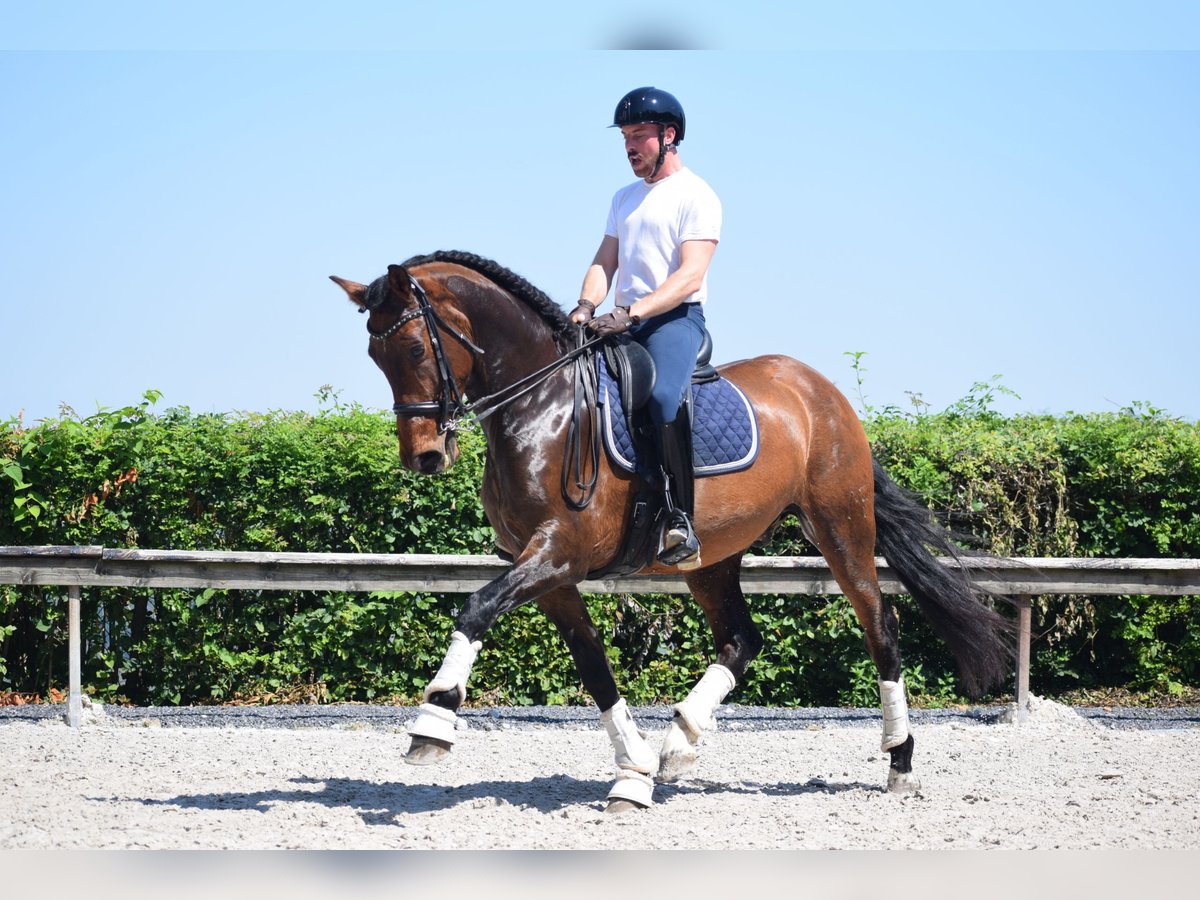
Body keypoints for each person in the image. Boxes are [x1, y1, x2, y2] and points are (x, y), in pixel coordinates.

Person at [569, 86, 721, 570]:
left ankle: (680, 520)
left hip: (673, 320)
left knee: (661, 398)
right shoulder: (624, 198)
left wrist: (633, 313)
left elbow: (690, 275)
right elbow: (604, 260)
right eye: (625, 138)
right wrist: (585, 305)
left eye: (639, 136)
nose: (630, 146)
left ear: (669, 136)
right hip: (619, 323)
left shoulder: (697, 194)